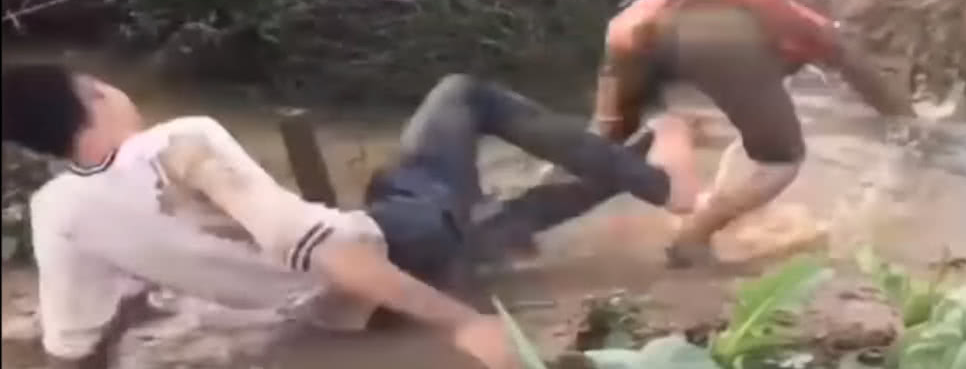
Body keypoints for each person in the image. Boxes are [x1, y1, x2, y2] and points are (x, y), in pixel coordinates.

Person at [1, 64, 689, 369]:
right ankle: (666, 183)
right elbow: (308, 241)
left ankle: (645, 161)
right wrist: (462, 323)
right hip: (394, 250)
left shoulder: (57, 212)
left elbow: (75, 348)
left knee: (487, 228)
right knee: (463, 95)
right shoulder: (181, 141)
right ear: (92, 98)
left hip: (348, 311)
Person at [476, 0, 916, 267]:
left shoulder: (709, 0)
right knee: (783, 158)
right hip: (715, 30)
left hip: (630, 29)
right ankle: (693, 237)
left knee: (601, 144)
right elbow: (865, 74)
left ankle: (513, 224)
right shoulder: (813, 27)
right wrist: (909, 124)